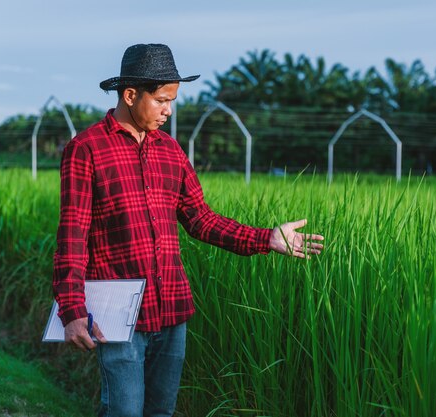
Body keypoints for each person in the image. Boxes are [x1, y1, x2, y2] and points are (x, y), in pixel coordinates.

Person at [52, 43, 324, 417]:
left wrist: (267, 238)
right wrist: (71, 310)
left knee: (160, 412)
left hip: (172, 309)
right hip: (117, 314)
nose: (169, 110)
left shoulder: (171, 152)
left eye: (172, 100)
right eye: (162, 100)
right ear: (131, 95)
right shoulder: (87, 149)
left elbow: (202, 220)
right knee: (124, 412)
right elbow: (72, 236)